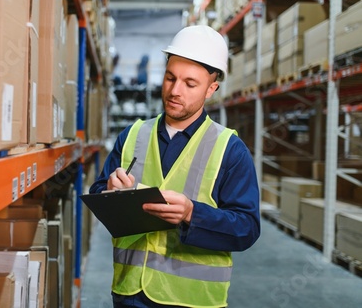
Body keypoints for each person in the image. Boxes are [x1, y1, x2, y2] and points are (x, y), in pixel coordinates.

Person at [89, 25, 261, 308]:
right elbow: (99, 193)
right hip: (129, 292)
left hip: (190, 299)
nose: (174, 91)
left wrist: (193, 213)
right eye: (170, 78)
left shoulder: (229, 149)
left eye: (190, 84)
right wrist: (109, 190)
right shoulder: (132, 135)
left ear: (211, 88)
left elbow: (246, 228)